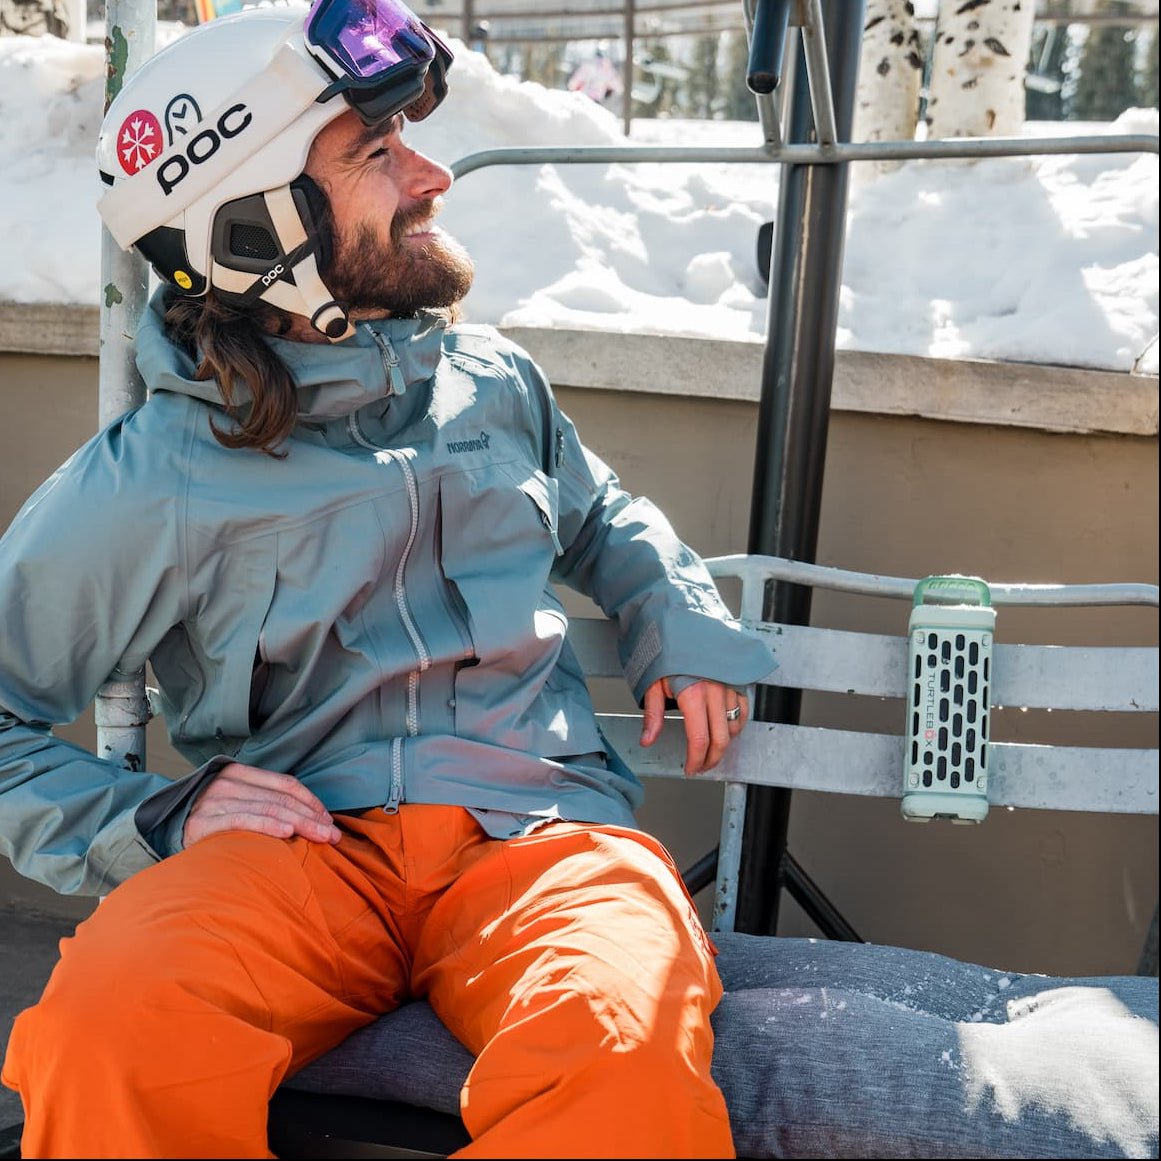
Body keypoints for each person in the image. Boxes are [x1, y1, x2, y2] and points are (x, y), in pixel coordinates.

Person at [0, 2, 776, 1157]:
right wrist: (147, 813)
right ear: (260, 233)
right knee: (108, 1033)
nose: (432, 173)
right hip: (300, 857)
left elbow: (599, 509)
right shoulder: (156, 475)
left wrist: (678, 610)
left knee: (621, 1057)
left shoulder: (492, 379)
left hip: (543, 837)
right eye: (376, 153)